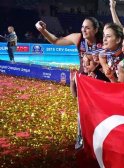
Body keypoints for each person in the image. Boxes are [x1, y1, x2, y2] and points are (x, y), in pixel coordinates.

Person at [36, 17, 106, 150]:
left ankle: (100, 138)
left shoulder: (104, 40)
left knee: (99, 110)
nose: (83, 30)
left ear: (96, 30)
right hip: (84, 80)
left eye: (87, 27)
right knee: (82, 110)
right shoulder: (77, 38)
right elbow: (56, 40)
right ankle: (81, 137)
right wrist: (43, 31)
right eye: (82, 27)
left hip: (100, 79)